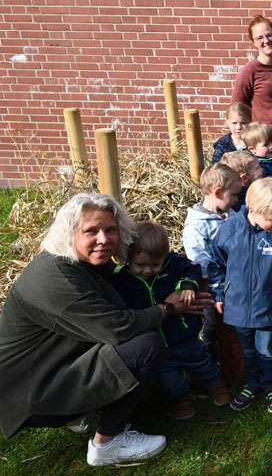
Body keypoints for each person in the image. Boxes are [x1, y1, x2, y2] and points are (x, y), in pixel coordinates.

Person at [0, 193, 200, 466]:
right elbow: (119, 328)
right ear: (69, 232)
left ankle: (86, 411)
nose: (103, 239)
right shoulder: (56, 278)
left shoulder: (84, 263)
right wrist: (168, 308)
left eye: (111, 230)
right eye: (91, 231)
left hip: (52, 366)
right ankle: (107, 442)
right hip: (32, 390)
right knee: (146, 346)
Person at [113, 222, 232, 420]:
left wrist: (187, 285)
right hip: (155, 340)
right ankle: (181, 398)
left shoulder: (173, 264)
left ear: (164, 258)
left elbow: (192, 268)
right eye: (140, 265)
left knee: (200, 361)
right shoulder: (122, 278)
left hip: (183, 334)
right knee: (167, 377)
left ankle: (217, 385)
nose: (147, 270)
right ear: (128, 257)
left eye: (155, 265)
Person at [208, 177, 272, 415]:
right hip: (236, 307)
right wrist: (219, 293)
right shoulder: (229, 230)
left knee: (268, 350)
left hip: (268, 307)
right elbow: (216, 264)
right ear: (254, 211)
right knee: (248, 350)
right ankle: (253, 383)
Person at [182, 163, 242, 355]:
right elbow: (200, 260)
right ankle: (206, 348)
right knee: (213, 322)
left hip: (235, 279)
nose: (236, 199)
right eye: (233, 195)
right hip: (212, 288)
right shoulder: (197, 227)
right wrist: (215, 284)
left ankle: (231, 354)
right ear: (218, 192)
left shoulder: (229, 214)